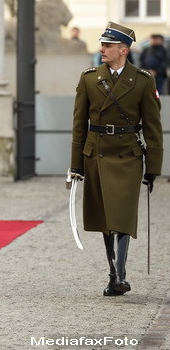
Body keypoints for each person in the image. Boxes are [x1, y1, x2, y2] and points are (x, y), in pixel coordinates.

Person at [70, 22, 162, 297]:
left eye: (108, 46)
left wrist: (153, 168)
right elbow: (78, 125)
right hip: (96, 154)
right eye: (102, 45)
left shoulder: (144, 80)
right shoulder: (89, 78)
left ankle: (119, 274)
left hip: (128, 157)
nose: (102, 49)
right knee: (105, 218)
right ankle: (114, 274)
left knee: (121, 214)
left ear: (123, 50)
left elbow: (153, 128)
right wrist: (76, 164)